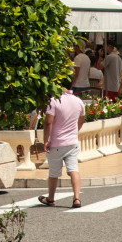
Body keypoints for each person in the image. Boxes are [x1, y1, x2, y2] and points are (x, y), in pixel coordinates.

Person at [40, 79, 84, 208]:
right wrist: (74, 132)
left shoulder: (53, 100)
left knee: (54, 173)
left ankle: (51, 198)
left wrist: (46, 140)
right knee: (73, 170)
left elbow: (48, 122)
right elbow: (81, 119)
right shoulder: (78, 101)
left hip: (57, 142)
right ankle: (76, 198)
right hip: (72, 142)